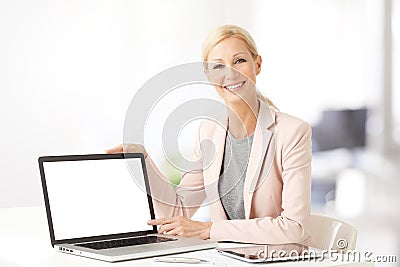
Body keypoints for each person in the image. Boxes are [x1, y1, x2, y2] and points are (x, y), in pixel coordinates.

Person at [107, 25, 312, 245]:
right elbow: (179, 210)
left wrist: (209, 230)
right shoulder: (208, 132)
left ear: (258, 64)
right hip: (225, 258)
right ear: (208, 75)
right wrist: (143, 159)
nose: (230, 73)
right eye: (218, 66)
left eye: (239, 61)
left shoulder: (292, 133)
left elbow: (294, 228)